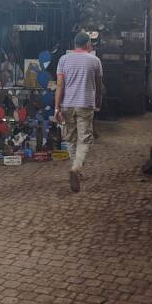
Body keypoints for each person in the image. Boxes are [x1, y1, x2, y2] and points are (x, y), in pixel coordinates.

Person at [54, 31, 103, 193]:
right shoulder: (95, 61)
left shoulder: (63, 59)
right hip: (85, 104)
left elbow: (60, 85)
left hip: (67, 104)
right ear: (88, 44)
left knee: (70, 138)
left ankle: (75, 167)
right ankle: (76, 168)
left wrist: (57, 107)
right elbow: (98, 86)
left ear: (74, 44)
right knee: (85, 139)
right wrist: (98, 103)